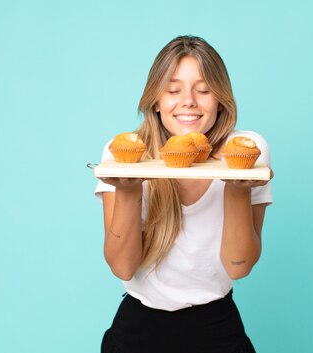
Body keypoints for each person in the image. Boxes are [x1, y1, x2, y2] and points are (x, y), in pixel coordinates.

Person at [94, 35, 273, 353]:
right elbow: (122, 267)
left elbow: (238, 266)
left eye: (203, 90)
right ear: (155, 101)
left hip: (217, 329)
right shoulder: (125, 152)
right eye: (173, 90)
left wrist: (235, 188)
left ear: (220, 99)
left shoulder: (245, 149)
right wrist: (129, 187)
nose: (189, 101)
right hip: (137, 331)